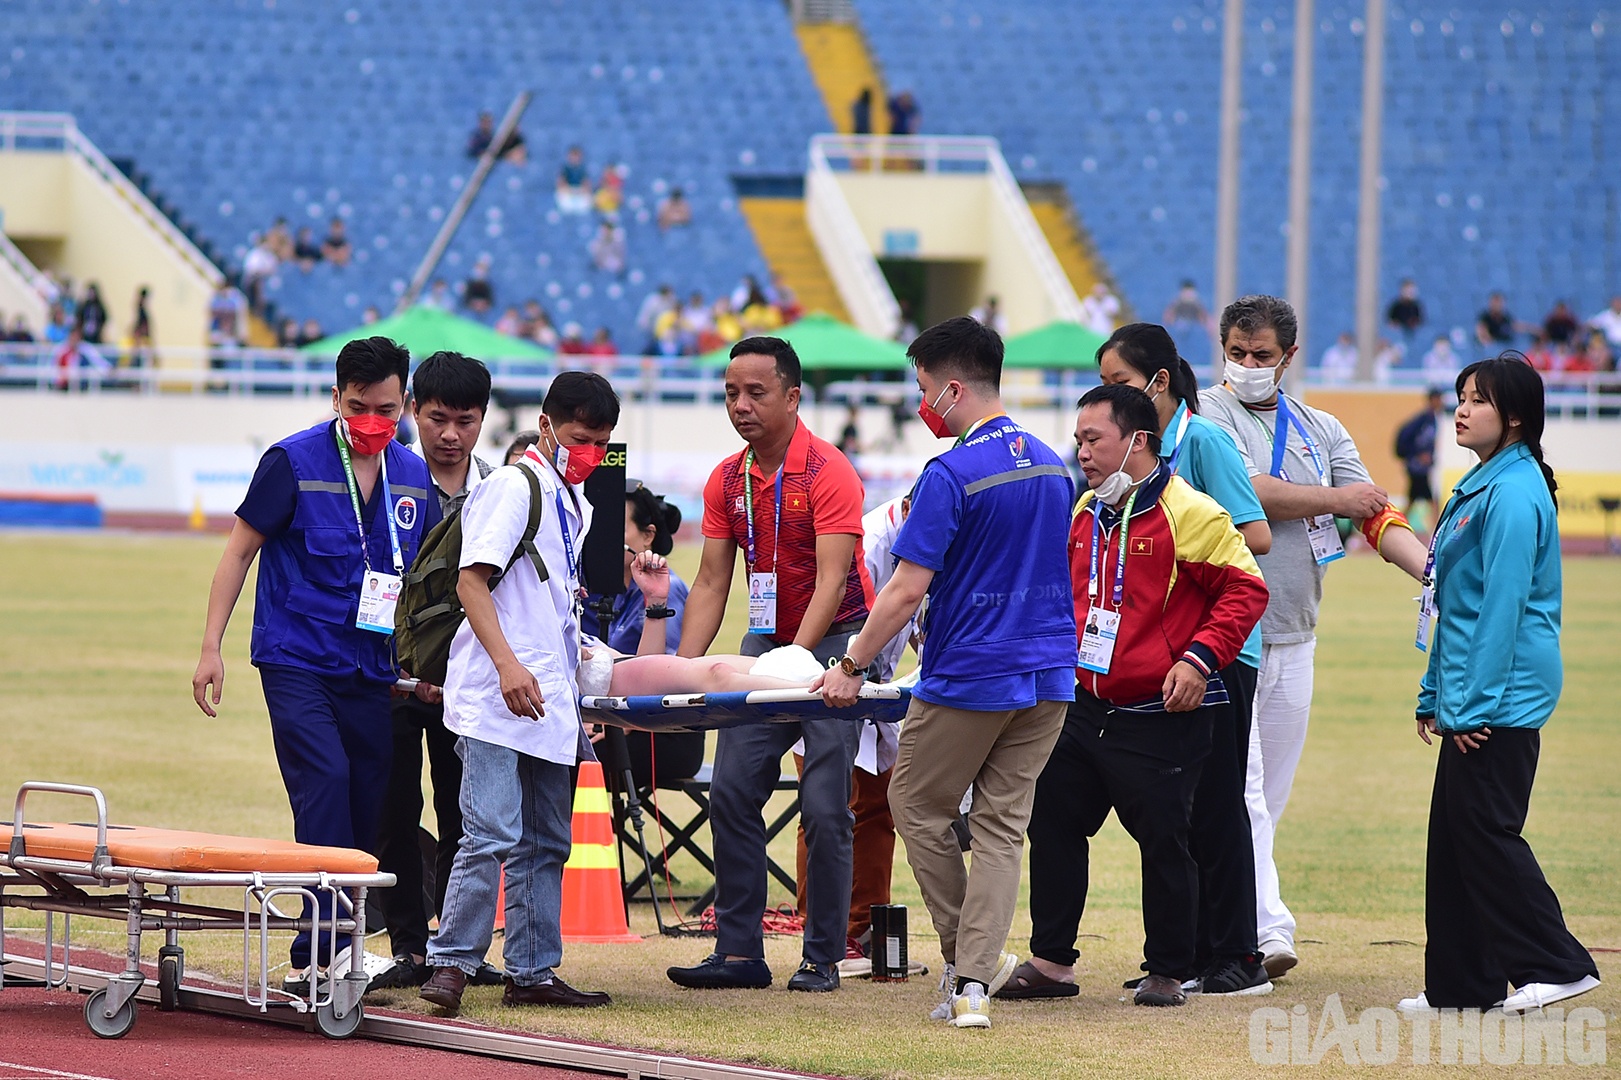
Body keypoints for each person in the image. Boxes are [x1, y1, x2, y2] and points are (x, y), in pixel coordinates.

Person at [817, 316, 1078, 1029]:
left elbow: (903, 590)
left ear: (953, 386)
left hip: (971, 672)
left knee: (915, 805)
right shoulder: (1054, 463)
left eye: (924, 388)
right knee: (999, 827)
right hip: (1051, 673)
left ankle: (967, 961)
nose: (921, 402)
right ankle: (972, 982)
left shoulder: (950, 473)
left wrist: (850, 665)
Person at [1028, 324, 1270, 1001]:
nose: (1080, 453)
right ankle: (1051, 962)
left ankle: (1167, 970)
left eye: (1091, 440)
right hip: (1084, 707)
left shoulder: (1187, 512)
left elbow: (1246, 589)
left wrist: (1197, 660)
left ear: (1136, 441)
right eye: (1077, 440)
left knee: (1167, 840)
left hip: (1159, 712)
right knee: (1051, 822)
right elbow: (1062, 604)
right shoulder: (1082, 514)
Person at [191, 337, 433, 991]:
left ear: (404, 403)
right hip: (296, 658)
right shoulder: (292, 461)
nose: (371, 422)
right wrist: (212, 647)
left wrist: (431, 666)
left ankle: (334, 946)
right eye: (357, 407)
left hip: (371, 671)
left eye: (385, 408)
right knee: (323, 784)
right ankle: (326, 946)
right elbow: (239, 552)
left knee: (367, 803)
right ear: (335, 398)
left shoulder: (412, 476)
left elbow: (429, 588)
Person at [1198, 295, 1430, 979]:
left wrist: (1432, 574)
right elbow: (1250, 491)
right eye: (1236, 354)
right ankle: (1266, 931)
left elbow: (1374, 514)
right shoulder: (1207, 417)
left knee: (1266, 797)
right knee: (1242, 793)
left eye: (1261, 356)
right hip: (1228, 638)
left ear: (1288, 357)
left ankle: (1221, 923)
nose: (1246, 367)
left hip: (1297, 631)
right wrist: (1336, 499)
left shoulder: (1320, 428)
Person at [666, 336, 874, 995]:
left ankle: (821, 957)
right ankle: (738, 954)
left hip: (837, 644)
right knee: (730, 789)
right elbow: (707, 585)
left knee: (822, 805)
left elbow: (832, 578)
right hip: (765, 641)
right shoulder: (726, 479)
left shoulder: (828, 470)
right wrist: (682, 672)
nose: (740, 405)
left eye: (755, 392)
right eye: (730, 392)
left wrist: (796, 659)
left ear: (792, 396)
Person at [1400, 357, 1601, 1015]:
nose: (1460, 409)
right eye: (1459, 397)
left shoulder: (1513, 492)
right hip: (1469, 689)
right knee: (1455, 838)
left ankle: (1557, 964)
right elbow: (1453, 600)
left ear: (1512, 417)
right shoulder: (1481, 482)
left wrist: (1470, 706)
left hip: (1499, 695)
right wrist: (1435, 694)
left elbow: (1503, 608)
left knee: (1485, 832)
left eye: (1476, 400)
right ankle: (1461, 988)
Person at [418, 372, 620, 1015]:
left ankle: (532, 970)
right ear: (546, 427)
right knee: (491, 834)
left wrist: (578, 693)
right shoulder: (514, 486)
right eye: (581, 439)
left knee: (546, 842)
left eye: (601, 443)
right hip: (494, 693)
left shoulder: (577, 504)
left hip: (547, 698)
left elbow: (554, 609)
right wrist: (506, 667)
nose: (590, 453)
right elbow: (471, 583)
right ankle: (451, 963)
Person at [369, 352, 500, 992]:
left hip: (467, 686)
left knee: (462, 815)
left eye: (466, 421)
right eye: (437, 419)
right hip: (392, 680)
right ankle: (408, 946)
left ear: (484, 421)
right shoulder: (383, 481)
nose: (450, 435)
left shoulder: (499, 491)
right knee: (394, 811)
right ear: (414, 412)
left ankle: (456, 949)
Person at [582, 481, 701, 788]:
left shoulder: (667, 588)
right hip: (602, 722)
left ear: (648, 536)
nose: (602, 537)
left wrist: (612, 721)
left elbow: (658, 678)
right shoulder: (587, 585)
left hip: (658, 732)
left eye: (615, 528)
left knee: (565, 761)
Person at [1394, 388, 1444, 533]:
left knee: (1414, 500)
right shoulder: (1422, 420)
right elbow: (1405, 439)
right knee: (1432, 501)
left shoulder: (1432, 419)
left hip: (1422, 468)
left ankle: (1398, 527)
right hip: (1417, 468)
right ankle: (1436, 531)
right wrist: (1416, 455)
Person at [555, 146, 592, 214]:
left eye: (577, 156)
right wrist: (568, 190)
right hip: (568, 191)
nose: (575, 159)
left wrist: (581, 191)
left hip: (580, 191)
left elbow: (586, 184)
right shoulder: (565, 169)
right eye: (573, 156)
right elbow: (560, 183)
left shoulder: (583, 169)